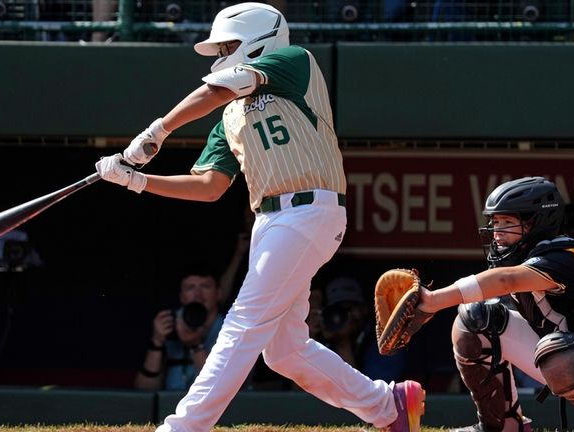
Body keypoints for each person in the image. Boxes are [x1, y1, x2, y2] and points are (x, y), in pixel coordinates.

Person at [95, 3, 425, 431]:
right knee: (284, 350)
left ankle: (181, 427)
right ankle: (389, 405)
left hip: (309, 209)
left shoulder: (293, 62)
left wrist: (157, 131)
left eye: (228, 46)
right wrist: (136, 182)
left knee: (242, 323)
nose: (220, 57)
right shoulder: (229, 115)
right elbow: (210, 185)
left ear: (258, 40)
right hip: (270, 222)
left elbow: (218, 88)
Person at [408, 176, 574, 432]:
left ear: (536, 225)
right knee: (476, 318)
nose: (497, 232)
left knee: (559, 350)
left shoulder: (564, 257)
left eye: (508, 223)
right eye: (495, 222)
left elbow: (506, 280)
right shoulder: (530, 258)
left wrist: (432, 300)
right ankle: (503, 425)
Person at [134, 268, 224, 391]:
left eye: (205, 286)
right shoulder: (169, 324)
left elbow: (224, 388)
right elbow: (144, 391)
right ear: (182, 297)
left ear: (218, 294)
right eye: (190, 288)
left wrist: (196, 346)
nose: (197, 294)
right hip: (170, 406)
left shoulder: (232, 328)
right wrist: (157, 342)